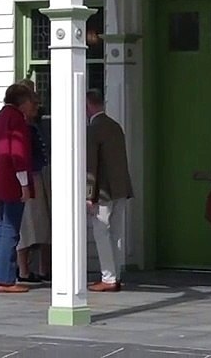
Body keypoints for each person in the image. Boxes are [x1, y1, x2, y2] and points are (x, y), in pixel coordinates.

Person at [0, 82, 35, 294]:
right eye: (30, 101)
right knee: (10, 230)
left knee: (2, 229)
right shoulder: (16, 120)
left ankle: (0, 276)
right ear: (22, 102)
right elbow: (18, 154)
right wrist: (24, 185)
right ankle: (5, 280)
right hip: (12, 181)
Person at [85, 89, 133, 292]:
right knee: (116, 234)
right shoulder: (115, 126)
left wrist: (89, 195)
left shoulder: (94, 129)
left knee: (101, 233)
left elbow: (91, 166)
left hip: (103, 190)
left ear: (88, 105)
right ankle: (115, 275)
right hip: (121, 187)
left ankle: (108, 277)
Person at [15, 80, 51, 283]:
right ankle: (24, 270)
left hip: (42, 174)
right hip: (28, 177)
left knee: (44, 224)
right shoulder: (19, 125)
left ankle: (44, 268)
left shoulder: (37, 123)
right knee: (27, 225)